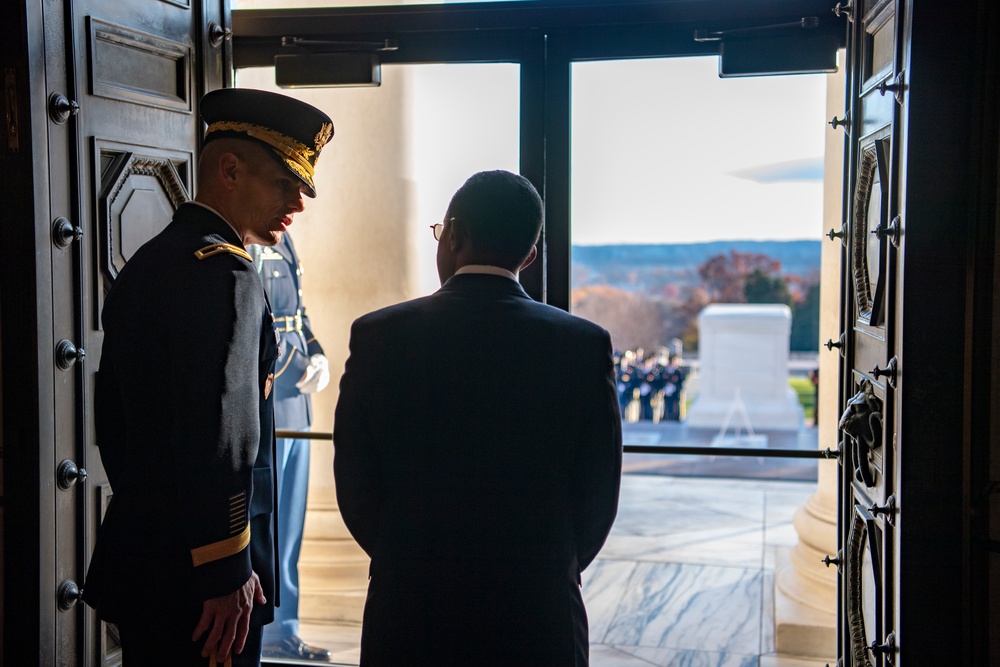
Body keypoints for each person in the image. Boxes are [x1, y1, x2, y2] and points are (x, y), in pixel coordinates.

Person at [82, 88, 334, 666]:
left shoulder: (149, 261)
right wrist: (226, 569)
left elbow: (115, 425)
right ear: (229, 169)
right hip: (204, 585)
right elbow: (225, 437)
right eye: (283, 184)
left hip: (150, 555)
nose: (297, 203)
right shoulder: (228, 276)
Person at [333, 170, 623, 666]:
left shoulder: (379, 335)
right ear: (528, 257)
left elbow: (356, 485)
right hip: (537, 611)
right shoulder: (583, 345)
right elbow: (597, 496)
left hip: (410, 608)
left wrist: (403, 556)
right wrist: (549, 565)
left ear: (454, 234)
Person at [253, 232, 333, 661]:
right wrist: (295, 366)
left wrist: (316, 351)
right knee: (273, 526)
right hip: (275, 396)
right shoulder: (249, 241)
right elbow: (258, 321)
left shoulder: (284, 240)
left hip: (296, 404)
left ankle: (286, 626)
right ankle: (270, 627)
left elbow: (296, 311)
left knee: (291, 527)